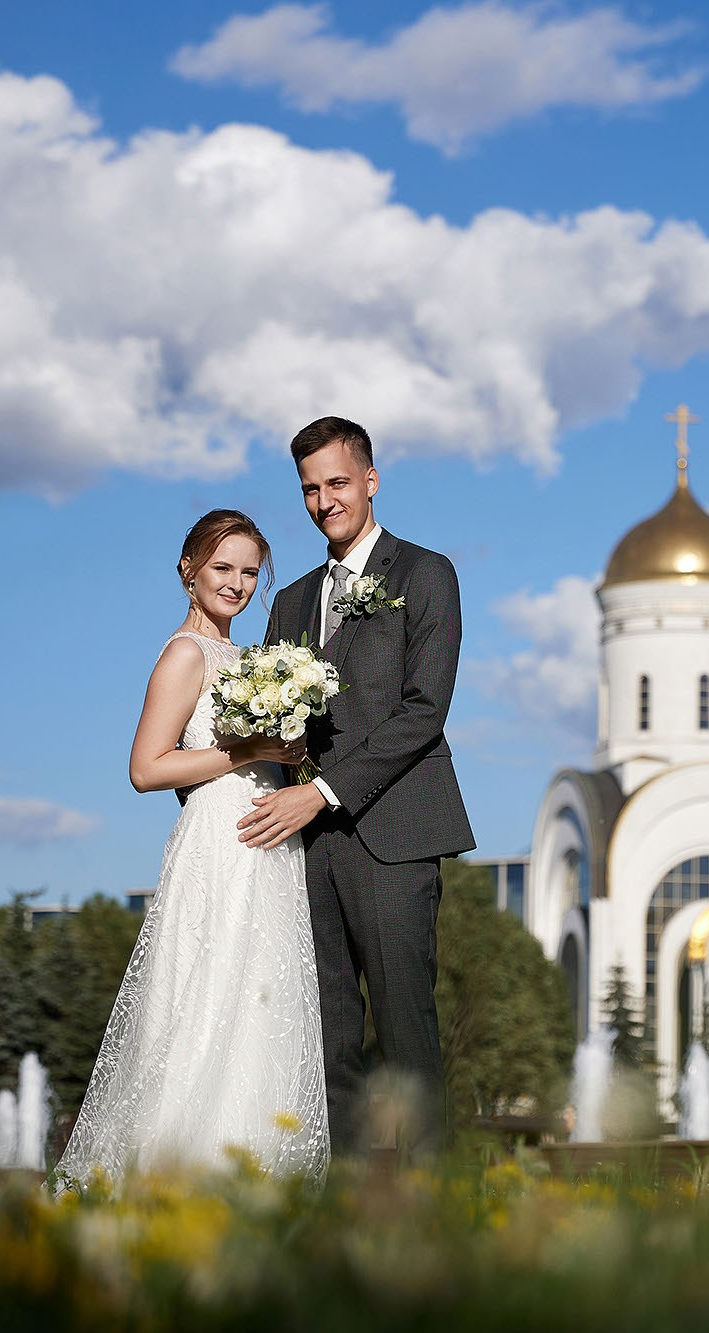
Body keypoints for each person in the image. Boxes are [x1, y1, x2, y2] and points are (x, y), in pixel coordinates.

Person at [54, 510, 330, 1189]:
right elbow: (146, 767)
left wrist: (285, 753)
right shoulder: (185, 654)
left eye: (247, 571)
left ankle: (256, 1179)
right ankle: (178, 1180)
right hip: (221, 842)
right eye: (222, 568)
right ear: (189, 569)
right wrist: (254, 748)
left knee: (261, 1009)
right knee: (207, 1003)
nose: (236, 583)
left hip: (267, 841)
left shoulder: (246, 658)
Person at [237, 417, 476, 1159]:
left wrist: (324, 790)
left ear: (370, 480)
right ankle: (346, 1212)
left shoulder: (424, 573)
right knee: (326, 1033)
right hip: (307, 847)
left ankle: (433, 1217)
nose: (323, 501)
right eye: (310, 488)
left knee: (406, 1032)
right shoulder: (291, 599)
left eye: (337, 483)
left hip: (395, 835)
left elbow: (423, 711)